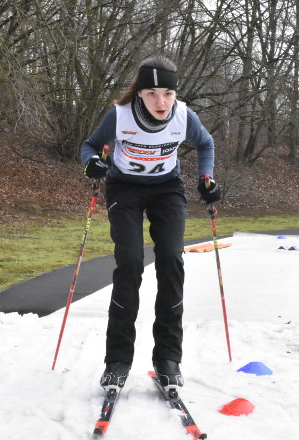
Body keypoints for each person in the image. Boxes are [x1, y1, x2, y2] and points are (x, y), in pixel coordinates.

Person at [80, 55, 221, 394]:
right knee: (129, 263)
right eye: (153, 93)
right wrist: (92, 165)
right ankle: (117, 360)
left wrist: (206, 177)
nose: (162, 102)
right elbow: (90, 146)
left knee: (171, 259)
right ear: (139, 93)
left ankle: (168, 359)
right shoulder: (120, 114)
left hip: (167, 190)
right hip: (124, 188)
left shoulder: (185, 116)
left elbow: (205, 144)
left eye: (168, 94)